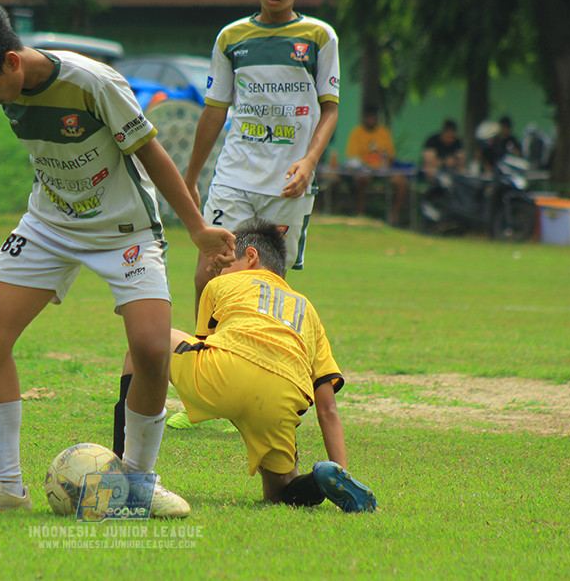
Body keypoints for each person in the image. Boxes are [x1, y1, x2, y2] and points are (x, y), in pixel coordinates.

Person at [0, 0, 235, 517]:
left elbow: (150, 153)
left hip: (124, 228)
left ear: (12, 61)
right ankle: (3, 487)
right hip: (50, 223)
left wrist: (198, 228)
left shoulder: (95, 83)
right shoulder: (6, 86)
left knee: (153, 349)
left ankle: (137, 483)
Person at [113, 218, 377, 512]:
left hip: (224, 373)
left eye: (226, 262)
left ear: (250, 256)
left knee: (142, 351)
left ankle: (123, 474)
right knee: (281, 490)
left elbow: (204, 344)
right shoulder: (307, 308)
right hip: (282, 400)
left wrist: (217, 277)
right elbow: (327, 409)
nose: (221, 269)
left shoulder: (221, 283)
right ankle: (323, 479)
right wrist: (343, 469)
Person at [184, 0, 340, 311]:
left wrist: (309, 162)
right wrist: (189, 178)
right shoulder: (231, 38)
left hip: (287, 183)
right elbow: (214, 111)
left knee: (269, 280)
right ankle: (202, 356)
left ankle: (261, 357)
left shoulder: (319, 37)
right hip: (235, 177)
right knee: (209, 272)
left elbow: (330, 109)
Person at [344, 104, 409, 225]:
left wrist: (383, 165)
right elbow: (353, 159)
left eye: (373, 118)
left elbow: (390, 156)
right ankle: (360, 212)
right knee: (361, 180)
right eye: (369, 117)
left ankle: (394, 215)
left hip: (383, 170)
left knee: (402, 182)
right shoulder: (357, 133)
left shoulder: (384, 133)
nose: (371, 120)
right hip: (365, 170)